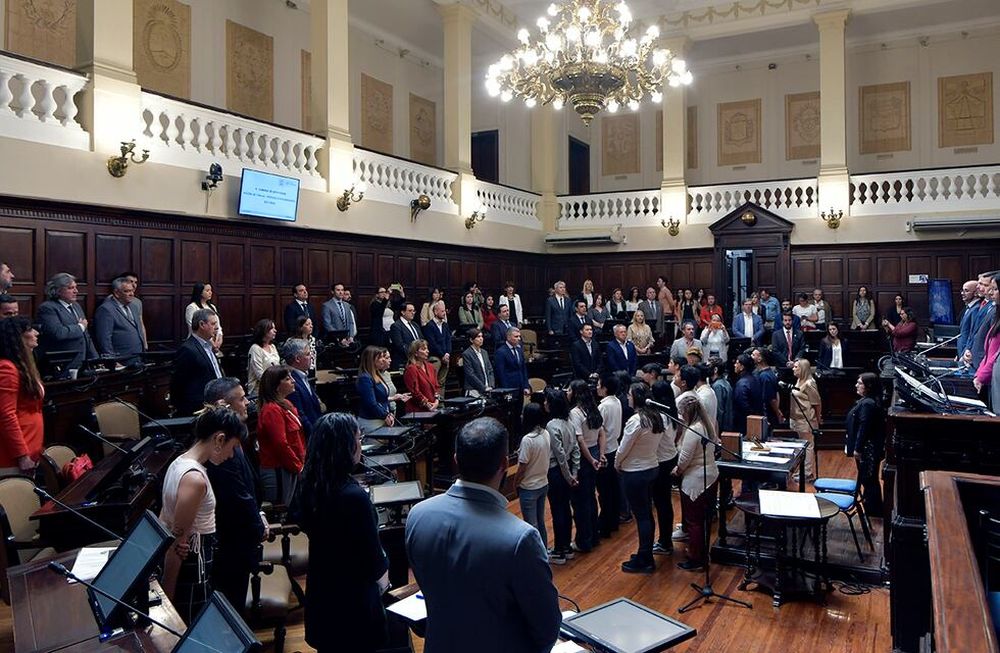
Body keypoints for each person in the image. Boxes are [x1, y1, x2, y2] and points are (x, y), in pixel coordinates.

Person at [405, 417, 562, 653]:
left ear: (456, 461)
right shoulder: (521, 539)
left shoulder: (418, 515)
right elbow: (547, 628)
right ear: (503, 463)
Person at [296, 413, 390, 653]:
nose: (360, 444)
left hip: (321, 595)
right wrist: (384, 575)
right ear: (346, 446)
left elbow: (301, 520)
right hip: (353, 607)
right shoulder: (353, 497)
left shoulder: (308, 481)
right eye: (359, 438)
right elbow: (373, 560)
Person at [159, 407, 246, 622]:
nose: (231, 454)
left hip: (193, 558)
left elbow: (164, 520)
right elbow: (178, 543)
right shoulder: (195, 479)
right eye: (232, 446)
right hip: (192, 564)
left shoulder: (178, 463)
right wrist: (166, 595)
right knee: (190, 624)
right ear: (219, 439)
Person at [202, 377, 266, 617]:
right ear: (223, 404)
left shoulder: (232, 434)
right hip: (232, 543)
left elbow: (247, 484)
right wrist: (256, 524)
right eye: (240, 398)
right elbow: (236, 495)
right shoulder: (219, 446)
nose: (247, 403)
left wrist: (258, 512)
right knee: (231, 607)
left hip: (241, 538)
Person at [615, 383, 664, 573]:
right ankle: (645, 552)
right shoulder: (656, 417)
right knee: (646, 514)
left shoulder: (637, 420)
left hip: (636, 472)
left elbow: (624, 447)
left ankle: (645, 558)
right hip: (651, 467)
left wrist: (617, 464)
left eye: (629, 394)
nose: (627, 397)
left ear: (636, 397)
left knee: (642, 515)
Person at [672, 394, 718, 571]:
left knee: (694, 522)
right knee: (703, 519)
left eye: (681, 412)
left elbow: (684, 459)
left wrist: (676, 471)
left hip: (696, 480)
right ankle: (702, 554)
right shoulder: (707, 425)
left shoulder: (693, 430)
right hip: (710, 476)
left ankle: (695, 558)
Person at [0, 317, 43, 476]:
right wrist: (22, 455)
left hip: (31, 443)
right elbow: (6, 415)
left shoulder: (23, 365)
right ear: (18, 337)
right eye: (31, 330)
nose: (36, 333)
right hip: (14, 454)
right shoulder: (7, 369)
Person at [257, 365, 306, 506]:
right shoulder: (271, 410)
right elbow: (281, 444)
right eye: (287, 378)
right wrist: (298, 467)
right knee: (283, 510)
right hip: (278, 470)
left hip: (290, 467)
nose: (293, 381)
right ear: (276, 386)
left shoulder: (286, 404)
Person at [544, 388, 580, 565]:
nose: (544, 404)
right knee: (565, 508)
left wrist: (568, 476)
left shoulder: (551, 425)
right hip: (568, 473)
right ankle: (567, 546)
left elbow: (559, 456)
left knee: (558, 510)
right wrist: (574, 474)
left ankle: (559, 550)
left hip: (556, 472)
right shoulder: (569, 423)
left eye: (547, 401)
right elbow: (575, 451)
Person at [36, 272, 97, 376]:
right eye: (70, 288)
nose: (76, 291)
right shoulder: (48, 308)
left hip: (82, 362)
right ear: (58, 290)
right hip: (61, 365)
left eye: (75, 287)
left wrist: (95, 359)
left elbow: (86, 336)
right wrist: (80, 327)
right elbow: (58, 333)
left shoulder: (76, 306)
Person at [568, 379, 604, 553]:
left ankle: (584, 540)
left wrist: (590, 459)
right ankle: (593, 536)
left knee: (580, 501)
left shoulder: (575, 412)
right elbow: (601, 434)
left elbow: (579, 439)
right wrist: (600, 455)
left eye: (569, 390)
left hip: (585, 457)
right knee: (590, 497)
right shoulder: (593, 408)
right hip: (595, 452)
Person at [170, 309, 223, 416]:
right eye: (213, 324)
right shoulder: (188, 349)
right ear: (202, 324)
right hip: (200, 409)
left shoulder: (208, 346)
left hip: (216, 404)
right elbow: (178, 385)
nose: (216, 328)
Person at [846, 373, 885, 515]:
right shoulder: (868, 401)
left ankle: (874, 510)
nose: (856, 385)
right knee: (868, 479)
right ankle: (872, 508)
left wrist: (857, 448)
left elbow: (864, 427)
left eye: (860, 383)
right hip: (869, 448)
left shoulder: (868, 403)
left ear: (868, 386)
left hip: (868, 449)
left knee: (869, 480)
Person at [514, 403, 552, 548]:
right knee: (540, 522)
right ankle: (544, 551)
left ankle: (535, 556)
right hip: (543, 483)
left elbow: (522, 466)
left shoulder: (528, 440)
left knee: (531, 525)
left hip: (529, 487)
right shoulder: (546, 433)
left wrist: (515, 482)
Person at [648, 381, 678, 556]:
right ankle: (665, 540)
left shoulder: (660, 416)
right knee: (664, 502)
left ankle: (665, 542)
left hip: (662, 461)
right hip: (670, 456)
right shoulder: (671, 411)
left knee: (662, 503)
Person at [356, 346, 409, 433]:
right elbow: (371, 404)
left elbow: (381, 398)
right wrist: (385, 415)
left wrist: (389, 412)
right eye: (380, 358)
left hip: (383, 419)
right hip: (372, 422)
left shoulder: (377, 375)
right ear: (371, 360)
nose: (383, 360)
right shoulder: (365, 378)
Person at [93, 276, 145, 364]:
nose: (131, 294)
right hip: (121, 360)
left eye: (132, 290)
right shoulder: (106, 309)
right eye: (127, 291)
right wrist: (111, 360)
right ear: (116, 293)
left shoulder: (133, 307)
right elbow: (104, 338)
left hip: (138, 357)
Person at [595, 375, 622, 538]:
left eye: (599, 385)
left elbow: (599, 431)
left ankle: (605, 525)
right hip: (615, 448)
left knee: (604, 491)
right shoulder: (617, 401)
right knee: (613, 488)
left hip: (605, 450)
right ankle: (613, 521)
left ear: (605, 388)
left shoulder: (603, 407)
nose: (597, 387)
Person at [282, 338, 323, 438]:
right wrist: (317, 436)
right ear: (297, 359)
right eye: (308, 354)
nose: (312, 356)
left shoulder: (303, 375)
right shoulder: (291, 381)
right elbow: (301, 416)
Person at [790, 359, 821, 483]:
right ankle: (800, 470)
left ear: (802, 369)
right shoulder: (799, 380)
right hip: (797, 418)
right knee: (801, 445)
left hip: (806, 419)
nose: (793, 368)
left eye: (796, 367)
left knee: (808, 446)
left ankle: (807, 473)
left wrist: (818, 420)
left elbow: (817, 403)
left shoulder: (810, 383)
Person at [974, 273, 1000, 409]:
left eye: (995, 289)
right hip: (989, 373)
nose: (991, 292)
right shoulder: (996, 312)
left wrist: (981, 375)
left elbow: (996, 353)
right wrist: (979, 373)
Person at [403, 339, 440, 413]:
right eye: (423, 349)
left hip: (433, 407)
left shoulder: (431, 367)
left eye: (427, 349)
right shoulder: (411, 369)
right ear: (416, 353)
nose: (427, 351)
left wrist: (437, 402)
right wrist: (427, 404)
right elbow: (415, 392)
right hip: (418, 410)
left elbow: (436, 386)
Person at [184, 282, 223, 351]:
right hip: (198, 344)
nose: (210, 293)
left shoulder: (212, 307)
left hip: (214, 344)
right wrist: (212, 344)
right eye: (207, 291)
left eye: (211, 290)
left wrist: (219, 340)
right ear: (200, 292)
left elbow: (218, 326)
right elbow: (194, 328)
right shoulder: (192, 307)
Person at [246, 318, 280, 399]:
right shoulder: (255, 349)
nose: (275, 331)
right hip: (259, 390)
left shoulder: (273, 347)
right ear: (264, 331)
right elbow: (259, 374)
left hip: (274, 386)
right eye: (272, 329)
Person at [731, 354, 762, 436]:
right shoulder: (755, 379)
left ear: (742, 367)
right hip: (755, 419)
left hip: (744, 423)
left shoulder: (742, 384)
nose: (735, 365)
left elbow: (743, 406)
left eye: (737, 363)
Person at [494, 327, 530, 396]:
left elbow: (523, 369)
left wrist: (526, 386)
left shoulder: (519, 350)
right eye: (516, 336)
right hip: (509, 388)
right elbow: (501, 373)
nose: (519, 339)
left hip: (520, 388)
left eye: (519, 336)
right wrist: (506, 391)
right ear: (508, 337)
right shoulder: (501, 352)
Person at [423, 300, 452, 385]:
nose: (444, 313)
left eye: (445, 311)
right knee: (434, 381)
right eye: (442, 311)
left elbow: (448, 340)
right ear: (435, 312)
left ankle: (441, 398)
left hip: (445, 356)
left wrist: (447, 353)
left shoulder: (445, 325)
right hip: (435, 356)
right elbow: (432, 344)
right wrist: (442, 355)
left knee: (442, 382)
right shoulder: (429, 326)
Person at [461, 327, 495, 397]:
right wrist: (483, 387)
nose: (481, 339)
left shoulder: (484, 352)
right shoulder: (467, 354)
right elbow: (470, 374)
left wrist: (491, 385)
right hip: (474, 390)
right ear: (471, 340)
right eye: (478, 337)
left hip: (488, 388)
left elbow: (490, 370)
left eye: (482, 336)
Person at [389, 302, 423, 368]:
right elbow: (399, 345)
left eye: (414, 311)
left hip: (418, 359)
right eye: (410, 311)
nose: (413, 313)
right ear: (403, 312)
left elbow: (421, 340)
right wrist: (415, 354)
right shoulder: (396, 326)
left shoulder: (415, 325)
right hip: (404, 361)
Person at [957, 280, 982, 363]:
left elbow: (972, 334)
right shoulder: (968, 308)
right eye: (962, 290)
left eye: (966, 291)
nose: (962, 293)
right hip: (962, 352)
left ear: (975, 293)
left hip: (967, 354)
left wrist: (965, 352)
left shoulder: (976, 309)